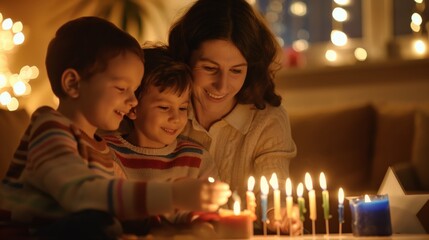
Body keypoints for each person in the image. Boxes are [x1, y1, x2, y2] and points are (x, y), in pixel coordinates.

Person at [0, 16, 230, 239]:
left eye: (135, 90)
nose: (133, 101)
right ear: (73, 83)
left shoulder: (101, 147)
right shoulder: (50, 130)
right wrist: (172, 195)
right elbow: (82, 195)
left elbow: (120, 207)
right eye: (122, 89)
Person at [168, 0, 301, 235]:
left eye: (236, 70)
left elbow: (273, 189)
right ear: (185, 58)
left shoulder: (267, 120)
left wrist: (277, 212)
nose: (222, 85)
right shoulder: (162, 111)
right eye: (210, 68)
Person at [103, 45, 219, 183]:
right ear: (133, 109)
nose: (176, 118)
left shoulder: (196, 160)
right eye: (164, 107)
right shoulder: (105, 152)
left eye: (182, 108)